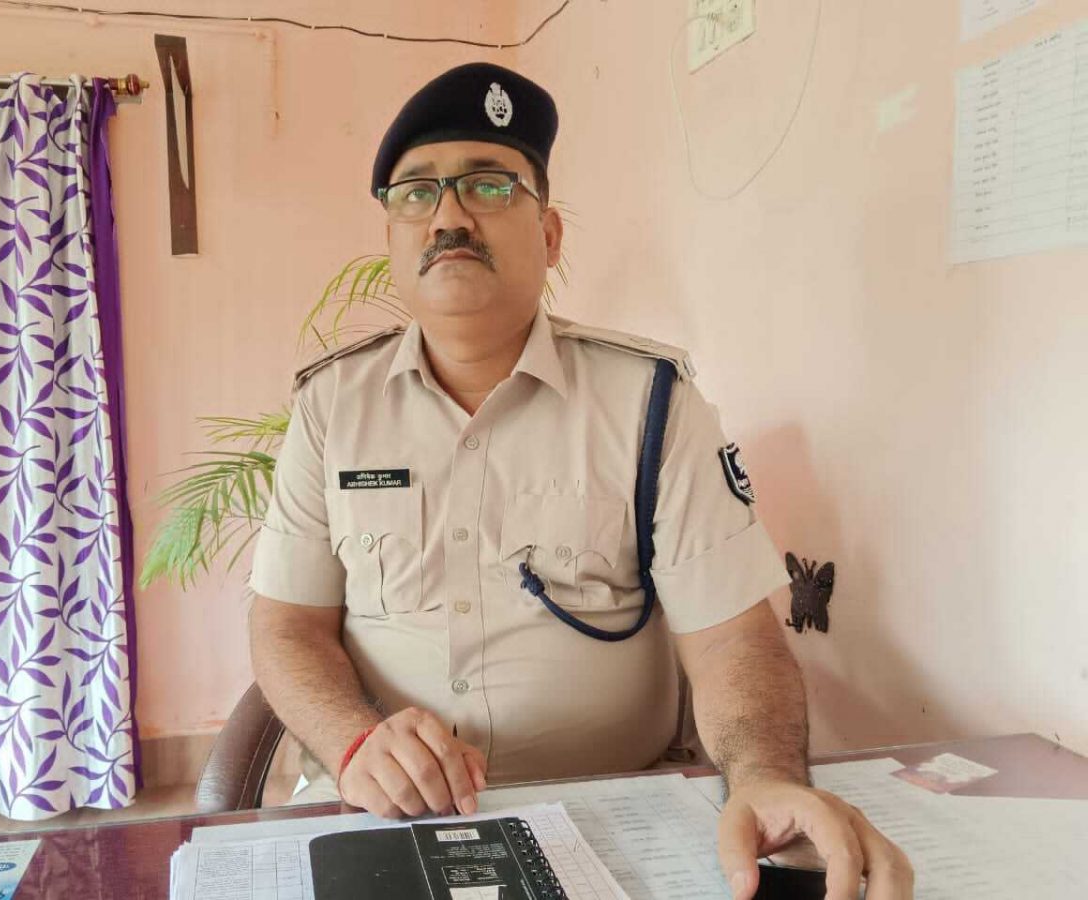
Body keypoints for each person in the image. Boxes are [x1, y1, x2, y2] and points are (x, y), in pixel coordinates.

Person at [249, 62, 913, 899]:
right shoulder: (331, 409)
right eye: (417, 193)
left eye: (488, 185)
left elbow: (732, 640)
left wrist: (763, 777)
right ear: (392, 240)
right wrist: (353, 741)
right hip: (381, 816)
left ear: (550, 233)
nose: (448, 216)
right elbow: (287, 625)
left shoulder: (651, 404)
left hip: (612, 814)